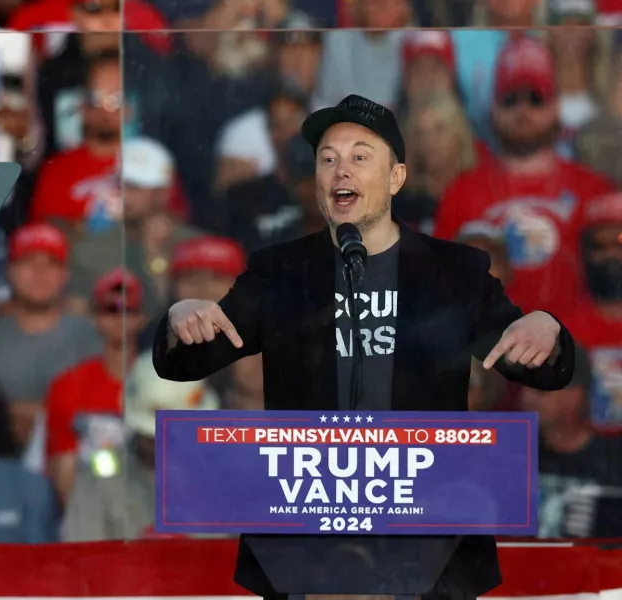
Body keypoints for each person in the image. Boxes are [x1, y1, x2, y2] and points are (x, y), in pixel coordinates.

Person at [153, 94, 577, 600]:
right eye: (327, 159)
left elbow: (541, 368)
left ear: (396, 178)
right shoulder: (279, 273)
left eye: (359, 157)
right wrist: (178, 322)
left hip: (427, 546)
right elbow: (189, 360)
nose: (340, 171)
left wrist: (547, 328)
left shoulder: (454, 273)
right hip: (308, 547)